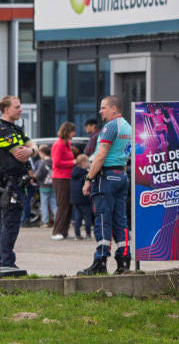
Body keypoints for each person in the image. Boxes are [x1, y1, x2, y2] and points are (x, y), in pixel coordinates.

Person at [78, 94, 132, 275]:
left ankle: (100, 261)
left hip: (106, 177)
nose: (100, 111)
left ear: (114, 108)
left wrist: (88, 179)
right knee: (120, 219)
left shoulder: (110, 127)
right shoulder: (128, 127)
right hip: (122, 175)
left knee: (102, 219)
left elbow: (100, 156)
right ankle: (124, 260)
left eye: (103, 107)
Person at [0, 95, 37, 270]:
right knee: (9, 224)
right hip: (9, 184)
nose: (21, 110)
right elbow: (20, 154)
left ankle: (6, 260)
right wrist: (31, 150)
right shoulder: (3, 130)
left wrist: (30, 149)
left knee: (11, 223)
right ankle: (7, 262)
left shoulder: (15, 129)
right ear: (6, 109)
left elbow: (32, 146)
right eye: (17, 107)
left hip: (17, 183)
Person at [50, 122, 77, 239]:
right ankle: (57, 232)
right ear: (67, 131)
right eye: (73, 131)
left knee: (69, 205)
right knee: (62, 205)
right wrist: (73, 162)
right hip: (60, 178)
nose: (74, 133)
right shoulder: (59, 144)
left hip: (68, 177)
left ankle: (64, 231)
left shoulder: (67, 144)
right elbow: (56, 163)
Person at [70, 153, 93, 238]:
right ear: (83, 163)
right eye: (87, 162)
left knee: (78, 216)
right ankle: (88, 233)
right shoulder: (85, 174)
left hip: (75, 198)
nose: (89, 164)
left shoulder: (74, 172)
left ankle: (77, 233)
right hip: (84, 198)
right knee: (87, 216)